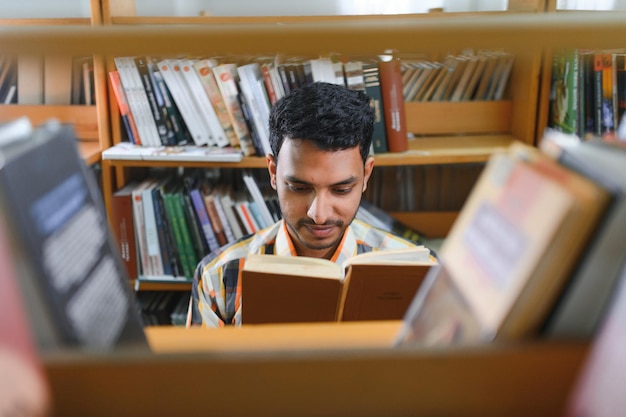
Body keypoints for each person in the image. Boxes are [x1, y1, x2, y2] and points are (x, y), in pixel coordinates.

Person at [188, 81, 432, 327]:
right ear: (273, 172)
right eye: (300, 188)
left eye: (341, 190)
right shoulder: (217, 277)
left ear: (366, 175)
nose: (319, 215)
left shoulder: (420, 272)